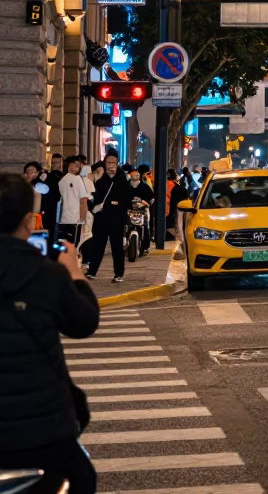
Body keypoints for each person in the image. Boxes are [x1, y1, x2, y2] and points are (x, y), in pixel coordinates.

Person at [0, 171, 99, 492]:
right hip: (44, 427)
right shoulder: (48, 273)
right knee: (81, 479)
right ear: (29, 221)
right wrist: (75, 273)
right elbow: (83, 323)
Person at [86, 153, 132, 283]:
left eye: (113, 163)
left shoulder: (123, 179)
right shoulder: (101, 179)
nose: (111, 165)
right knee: (97, 245)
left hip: (117, 218)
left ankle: (119, 273)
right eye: (108, 163)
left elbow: (127, 199)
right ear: (104, 164)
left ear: (117, 164)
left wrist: (117, 203)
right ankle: (92, 271)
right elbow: (94, 196)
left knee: (117, 247)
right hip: (101, 217)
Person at [57, 156, 89, 247]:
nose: (73, 167)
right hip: (75, 218)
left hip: (62, 219)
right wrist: (83, 218)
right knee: (73, 245)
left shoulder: (61, 180)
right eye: (72, 165)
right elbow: (83, 200)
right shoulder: (77, 179)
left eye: (76, 166)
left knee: (63, 245)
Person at [127, 167, 154, 254]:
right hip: (129, 210)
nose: (134, 177)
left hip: (143, 211)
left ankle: (145, 246)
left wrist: (146, 203)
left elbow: (151, 198)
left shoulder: (145, 187)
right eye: (133, 175)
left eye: (136, 175)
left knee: (146, 226)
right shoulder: (125, 186)